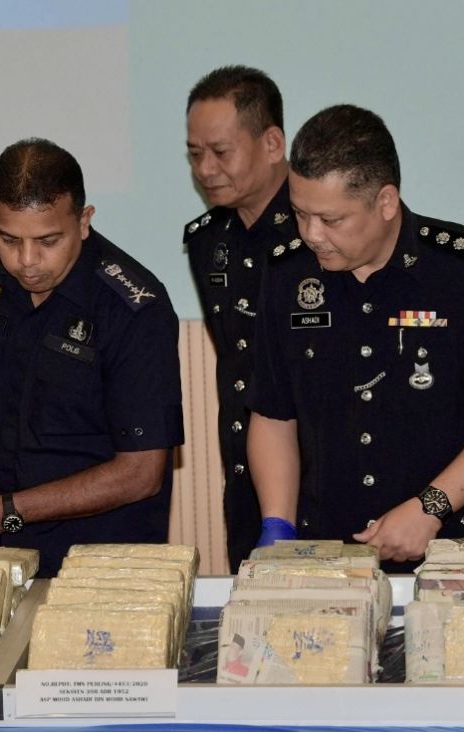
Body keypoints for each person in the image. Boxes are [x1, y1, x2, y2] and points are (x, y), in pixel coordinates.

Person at [247, 104, 464, 572]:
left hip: (449, 551)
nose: (312, 235)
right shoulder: (285, 274)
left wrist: (429, 507)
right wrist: (279, 527)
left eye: (331, 220)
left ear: (386, 202)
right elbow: (273, 416)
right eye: (299, 214)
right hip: (328, 555)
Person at [0, 138, 183, 576]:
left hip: (99, 560)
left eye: (48, 240)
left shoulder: (133, 307)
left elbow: (142, 472)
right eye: (9, 238)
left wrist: (6, 511)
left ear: (83, 222)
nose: (27, 261)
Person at [183, 66, 296, 570]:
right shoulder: (208, 241)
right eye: (194, 153)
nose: (206, 169)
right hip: (246, 479)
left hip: (326, 480)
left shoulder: (325, 228)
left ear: (272, 143)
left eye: (221, 152)